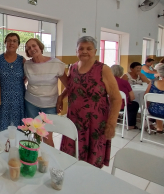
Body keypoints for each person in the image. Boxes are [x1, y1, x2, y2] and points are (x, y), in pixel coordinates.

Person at [57, 36, 122, 168]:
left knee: (92, 160)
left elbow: (116, 98)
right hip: (74, 119)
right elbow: (71, 86)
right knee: (71, 155)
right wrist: (61, 97)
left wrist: (111, 123)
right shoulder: (73, 67)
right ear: (76, 51)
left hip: (96, 122)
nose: (85, 51)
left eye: (89, 48)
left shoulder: (103, 69)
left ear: (95, 51)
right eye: (81, 48)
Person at [24, 38, 67, 147]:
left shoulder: (56, 63)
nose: (32, 49)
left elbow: (69, 85)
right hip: (31, 104)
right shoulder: (27, 65)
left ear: (40, 46)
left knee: (46, 137)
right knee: (35, 135)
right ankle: (36, 159)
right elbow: (23, 80)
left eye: (34, 46)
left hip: (49, 106)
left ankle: (49, 162)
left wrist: (61, 97)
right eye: (28, 48)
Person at [0, 33, 25, 131]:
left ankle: (16, 146)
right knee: (4, 129)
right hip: (3, 98)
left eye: (14, 41)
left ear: (18, 44)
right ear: (5, 43)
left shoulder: (22, 60)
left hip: (18, 99)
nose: (11, 43)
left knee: (18, 129)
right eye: (9, 40)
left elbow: (27, 76)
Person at [144, 63, 164, 135]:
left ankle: (159, 127)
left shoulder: (153, 83)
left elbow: (146, 97)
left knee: (158, 105)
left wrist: (146, 107)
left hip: (155, 112)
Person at [111, 65, 140, 129]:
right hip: (121, 106)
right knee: (135, 104)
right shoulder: (125, 82)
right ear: (121, 73)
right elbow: (132, 97)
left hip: (108, 105)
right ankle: (130, 125)